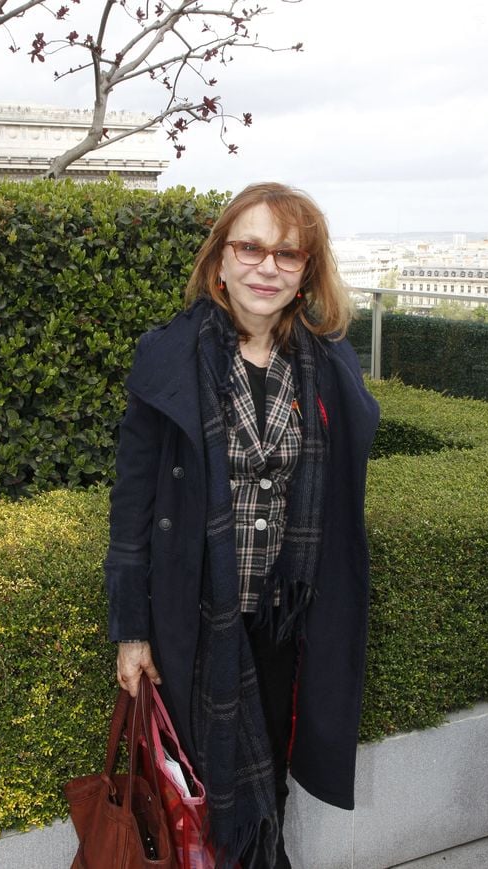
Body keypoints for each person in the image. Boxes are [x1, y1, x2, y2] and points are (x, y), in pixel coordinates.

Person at [104, 182, 380, 868]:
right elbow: (132, 505)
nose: (267, 266)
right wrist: (131, 629)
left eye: (288, 254)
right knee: (197, 791)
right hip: (192, 621)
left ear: (307, 271)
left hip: (287, 620)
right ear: (220, 261)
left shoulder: (329, 366)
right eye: (250, 246)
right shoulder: (170, 358)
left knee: (270, 783)